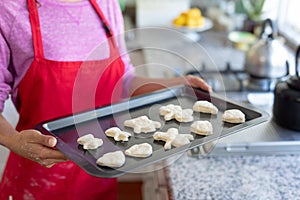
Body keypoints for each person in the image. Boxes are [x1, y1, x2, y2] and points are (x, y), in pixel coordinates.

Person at [0, 0, 211, 199]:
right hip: (40, 173)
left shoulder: (106, 4)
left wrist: (176, 85)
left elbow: (123, 80)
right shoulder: (9, 9)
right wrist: (14, 141)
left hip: (101, 168)